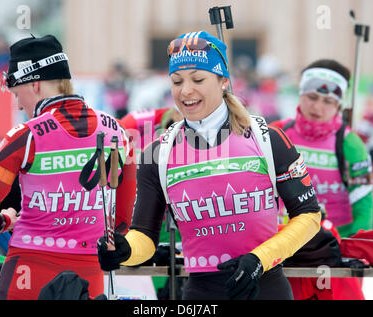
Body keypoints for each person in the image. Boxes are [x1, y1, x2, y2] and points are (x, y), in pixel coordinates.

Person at [97, 31, 322, 300]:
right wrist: (125, 250)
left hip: (264, 288)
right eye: (177, 81)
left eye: (198, 79)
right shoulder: (159, 153)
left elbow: (309, 216)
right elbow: (145, 236)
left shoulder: (267, 138)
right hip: (201, 294)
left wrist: (259, 260)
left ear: (223, 81)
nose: (186, 91)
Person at [0, 34, 137, 300]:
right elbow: (122, 223)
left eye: (16, 93)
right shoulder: (118, 131)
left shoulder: (25, 136)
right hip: (89, 276)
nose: (18, 103)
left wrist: (4, 221)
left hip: (29, 272)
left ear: (34, 84)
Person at [271, 59, 373, 238]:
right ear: (300, 94)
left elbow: (364, 206)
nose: (317, 107)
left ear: (338, 106)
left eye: (328, 101)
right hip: (283, 240)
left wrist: (354, 247)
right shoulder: (276, 132)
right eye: (312, 97)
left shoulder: (351, 143)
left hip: (334, 244)